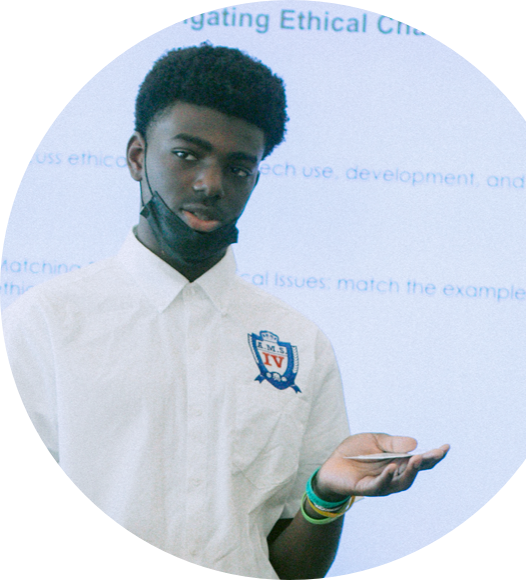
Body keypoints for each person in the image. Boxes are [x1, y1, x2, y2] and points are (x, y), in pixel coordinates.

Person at [2, 42, 449, 580]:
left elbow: (290, 571)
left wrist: (326, 497)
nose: (210, 184)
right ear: (137, 156)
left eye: (238, 167)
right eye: (187, 154)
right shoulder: (47, 322)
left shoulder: (299, 343)